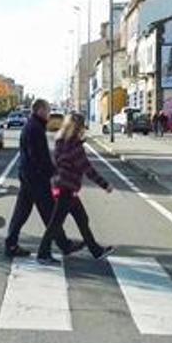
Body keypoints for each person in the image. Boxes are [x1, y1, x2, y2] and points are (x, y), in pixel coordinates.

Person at [5, 99, 84, 258]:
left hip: (28, 175)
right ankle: (59, 246)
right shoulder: (35, 128)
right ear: (40, 110)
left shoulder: (32, 126)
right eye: (47, 111)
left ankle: (11, 244)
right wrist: (53, 173)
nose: (49, 114)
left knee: (21, 213)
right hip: (36, 177)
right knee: (50, 214)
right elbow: (39, 156)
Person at [37, 112, 114, 265]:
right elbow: (88, 169)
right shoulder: (73, 146)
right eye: (81, 128)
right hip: (66, 189)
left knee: (81, 219)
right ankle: (43, 253)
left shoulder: (60, 141)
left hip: (62, 186)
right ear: (76, 128)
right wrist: (105, 185)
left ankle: (96, 250)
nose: (83, 130)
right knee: (55, 224)